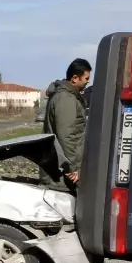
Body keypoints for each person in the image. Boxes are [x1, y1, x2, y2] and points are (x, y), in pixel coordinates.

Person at [40, 58, 91, 191]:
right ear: (75, 78)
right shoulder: (65, 99)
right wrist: (73, 168)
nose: (88, 82)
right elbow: (66, 136)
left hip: (61, 171)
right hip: (61, 174)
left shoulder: (67, 96)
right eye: (86, 78)